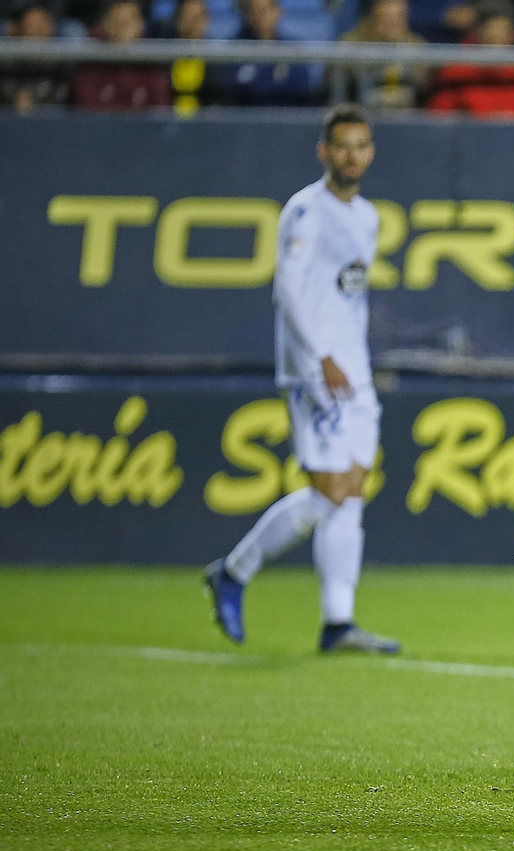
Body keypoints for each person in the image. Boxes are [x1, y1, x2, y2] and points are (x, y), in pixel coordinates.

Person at [204, 105, 400, 657]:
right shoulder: (305, 211)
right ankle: (233, 571)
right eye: (342, 146)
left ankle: (338, 622)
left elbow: (345, 293)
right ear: (324, 152)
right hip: (318, 371)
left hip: (353, 369)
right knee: (329, 490)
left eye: (361, 146)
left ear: (371, 152)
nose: (352, 156)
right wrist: (321, 358)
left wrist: (351, 357)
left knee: (351, 494)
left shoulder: (366, 216)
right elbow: (287, 291)